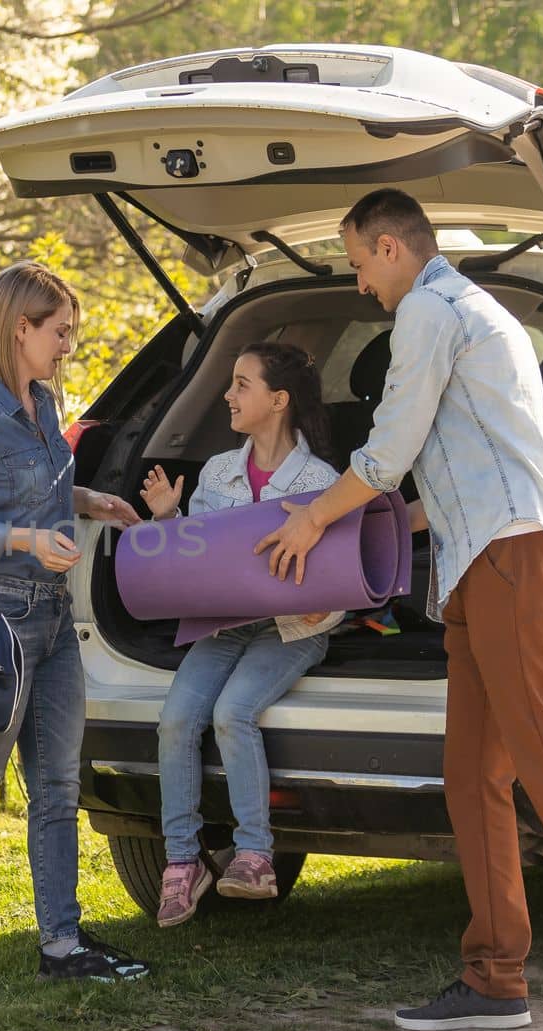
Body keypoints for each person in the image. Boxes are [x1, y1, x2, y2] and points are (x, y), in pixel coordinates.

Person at [255, 189, 543, 1031]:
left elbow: (386, 452)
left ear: (389, 247)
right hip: (479, 559)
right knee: (472, 773)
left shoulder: (428, 308)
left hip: (514, 555)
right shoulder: (469, 310)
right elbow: (456, 465)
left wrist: (311, 519)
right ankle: (495, 976)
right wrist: (377, 535)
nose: (356, 281)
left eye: (355, 260)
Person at [0, 261, 151, 981]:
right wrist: (26, 541)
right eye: (60, 331)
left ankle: (62, 945)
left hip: (54, 619)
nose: (67, 344)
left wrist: (91, 501)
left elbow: (34, 492)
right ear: (21, 328)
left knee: (58, 788)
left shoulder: (42, 406)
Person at [138, 342, 341, 926]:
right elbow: (197, 564)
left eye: (241, 384)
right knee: (176, 719)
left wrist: (317, 617)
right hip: (225, 627)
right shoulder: (218, 473)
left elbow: (337, 581)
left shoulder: (320, 480)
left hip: (291, 633)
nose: (228, 395)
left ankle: (254, 855)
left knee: (233, 713)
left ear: (278, 401)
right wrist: (168, 520)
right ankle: (183, 862)